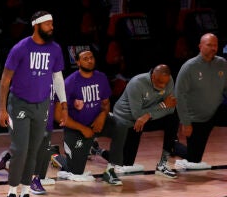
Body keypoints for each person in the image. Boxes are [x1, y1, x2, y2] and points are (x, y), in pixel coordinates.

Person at [0, 10, 67, 197]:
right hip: (19, 104)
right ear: (36, 25)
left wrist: (63, 104)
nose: (52, 27)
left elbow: (57, 78)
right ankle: (11, 195)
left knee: (35, 150)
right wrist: (2, 108)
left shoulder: (55, 49)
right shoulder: (21, 48)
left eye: (52, 24)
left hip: (42, 104)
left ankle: (25, 195)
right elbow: (5, 80)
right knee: (20, 149)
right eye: (48, 24)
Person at [51, 49, 123, 184]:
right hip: (77, 128)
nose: (90, 61)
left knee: (120, 125)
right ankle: (54, 155)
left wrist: (102, 116)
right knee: (75, 172)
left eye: (91, 57)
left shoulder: (101, 78)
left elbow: (106, 104)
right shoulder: (69, 83)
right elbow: (58, 115)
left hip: (97, 123)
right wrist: (82, 128)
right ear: (77, 62)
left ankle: (110, 169)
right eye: (85, 58)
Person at [96, 64, 179, 178]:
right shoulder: (137, 83)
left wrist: (149, 114)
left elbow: (171, 108)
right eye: (160, 82)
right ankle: (97, 150)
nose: (163, 86)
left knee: (172, 119)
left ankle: (163, 164)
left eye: (165, 83)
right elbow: (137, 114)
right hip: (127, 118)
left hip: (146, 118)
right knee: (126, 162)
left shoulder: (169, 81)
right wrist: (163, 104)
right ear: (153, 76)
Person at [173, 33, 227, 171]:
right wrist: (186, 123)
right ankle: (173, 145)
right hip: (196, 117)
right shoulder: (189, 67)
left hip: (216, 111)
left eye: (215, 45)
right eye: (209, 45)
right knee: (194, 160)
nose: (213, 48)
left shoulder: (222, 63)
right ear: (200, 46)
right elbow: (179, 95)